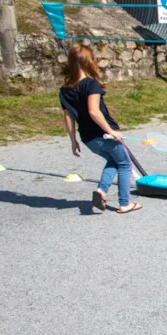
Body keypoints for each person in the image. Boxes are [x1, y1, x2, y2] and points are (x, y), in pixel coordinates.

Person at [58, 44, 141, 214]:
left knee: (114, 161)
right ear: (90, 62)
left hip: (88, 139)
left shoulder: (64, 90)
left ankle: (101, 191)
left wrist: (73, 140)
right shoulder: (91, 84)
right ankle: (125, 203)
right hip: (104, 135)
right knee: (125, 163)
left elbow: (68, 117)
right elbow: (94, 111)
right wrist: (110, 131)